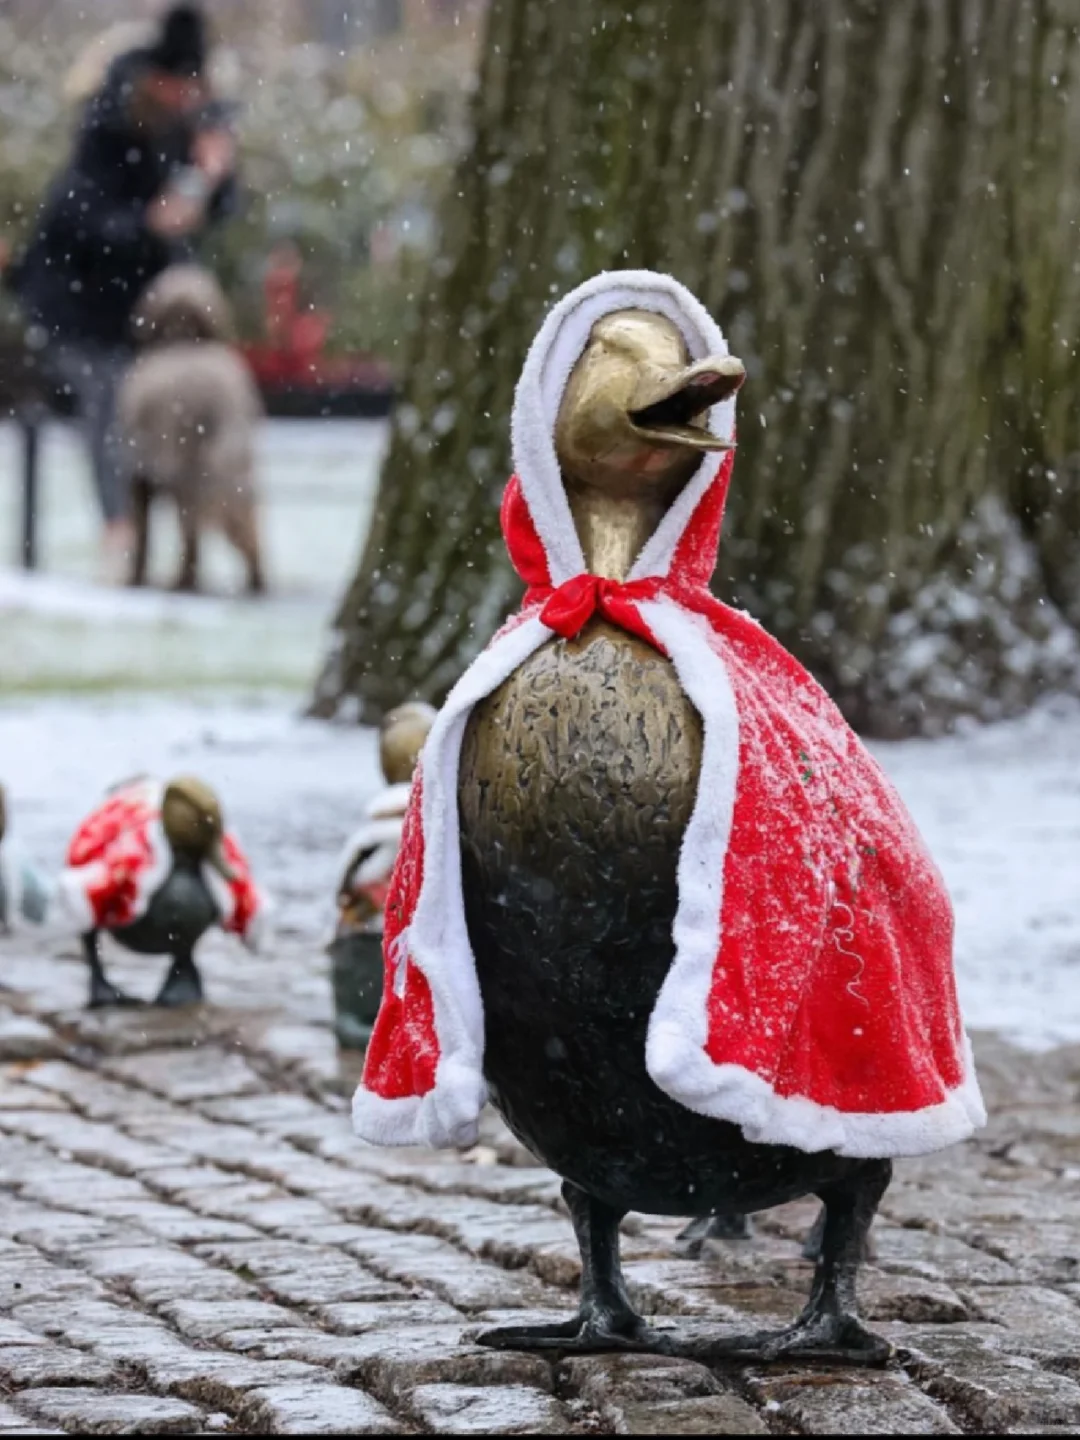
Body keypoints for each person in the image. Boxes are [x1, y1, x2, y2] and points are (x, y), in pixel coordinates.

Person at [5, 5, 238, 579]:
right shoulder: (108, 123)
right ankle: (121, 534)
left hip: (139, 303)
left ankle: (170, 541)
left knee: (153, 417)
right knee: (108, 407)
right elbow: (81, 216)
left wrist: (215, 176)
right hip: (77, 296)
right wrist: (145, 225)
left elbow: (210, 211)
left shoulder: (193, 125)